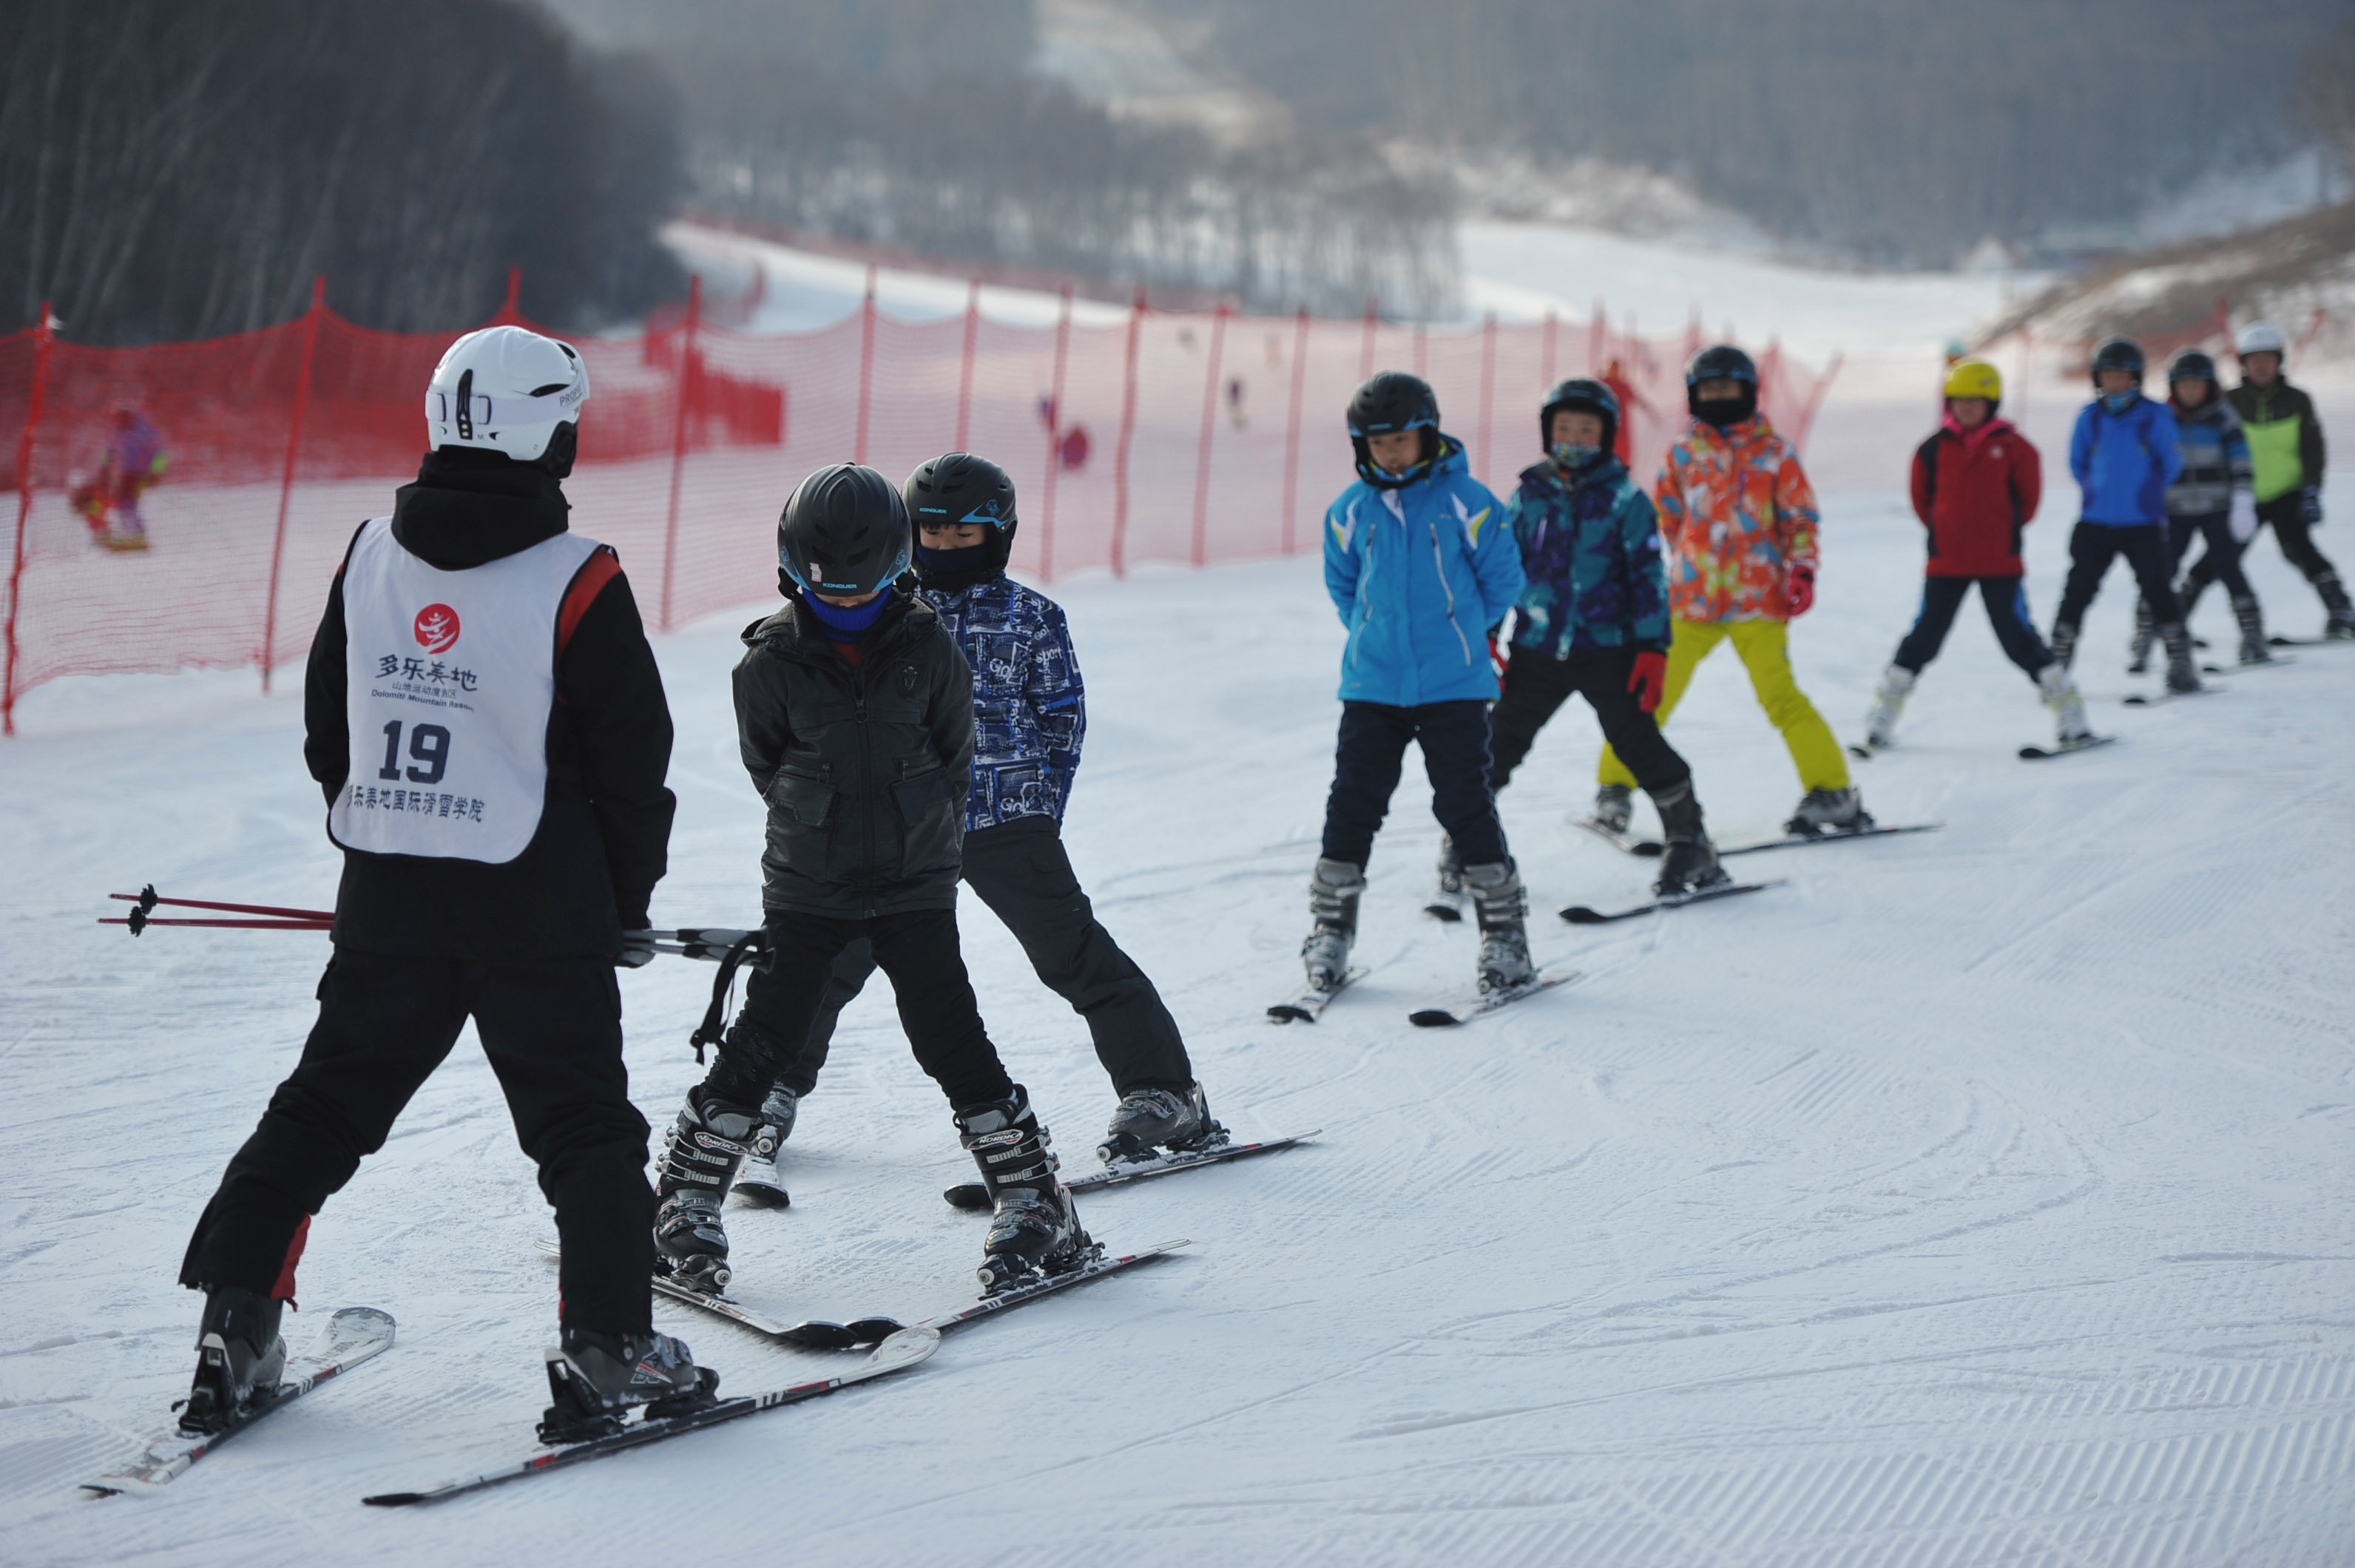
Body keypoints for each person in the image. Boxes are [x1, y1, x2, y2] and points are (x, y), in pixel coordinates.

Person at [176, 325, 712, 1442]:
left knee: (320, 1112)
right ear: (542, 434)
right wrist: (624, 903)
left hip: (393, 903)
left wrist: (386, 842)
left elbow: (336, 731)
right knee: (585, 1136)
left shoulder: (371, 552)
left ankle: (237, 1321)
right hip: (539, 910)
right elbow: (634, 768)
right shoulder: (580, 575)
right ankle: (610, 1350)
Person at [722, 453, 1220, 1209]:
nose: (947, 546)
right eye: (932, 533)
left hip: (1002, 819)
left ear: (1000, 535)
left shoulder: (1030, 616)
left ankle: (1163, 1092)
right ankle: (772, 1095)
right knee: (828, 964)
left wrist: (1037, 803)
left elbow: (1061, 718)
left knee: (1071, 948)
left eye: (965, 534)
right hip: (892, 829)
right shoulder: (893, 614)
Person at [650, 462, 1089, 1299]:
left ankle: (1035, 1194)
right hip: (809, 886)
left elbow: (954, 756)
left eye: (861, 594)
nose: (845, 606)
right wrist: (822, 828)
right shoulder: (768, 661)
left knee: (949, 1033)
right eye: (828, 596)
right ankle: (683, 1196)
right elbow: (767, 764)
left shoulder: (930, 647)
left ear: (897, 572)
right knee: (765, 1037)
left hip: (916, 883)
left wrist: (916, 830)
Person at [1305, 371, 1527, 998]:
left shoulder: (1469, 501)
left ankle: (1505, 934)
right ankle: (1331, 927)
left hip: (1454, 683)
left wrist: (1457, 635)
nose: (1391, 453)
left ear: (1428, 435)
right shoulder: (1350, 510)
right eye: (1378, 444)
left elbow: (1503, 582)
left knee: (1465, 803)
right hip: (1372, 684)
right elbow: (1345, 586)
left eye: (1402, 440)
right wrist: (1375, 635)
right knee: (1353, 802)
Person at [1593, 345, 1870, 838]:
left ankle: (1833, 793)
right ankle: (1614, 789)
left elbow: (1799, 517)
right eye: (1710, 390)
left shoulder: (1775, 453)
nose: (1720, 398)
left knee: (1780, 697)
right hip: (1691, 601)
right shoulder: (1683, 453)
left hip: (1757, 601)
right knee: (1646, 697)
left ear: (1749, 392)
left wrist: (1801, 568)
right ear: (1695, 396)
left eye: (1729, 389)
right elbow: (1667, 517)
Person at [1486, 377, 1726, 895]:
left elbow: (1647, 579)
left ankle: (1691, 843)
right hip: (1536, 650)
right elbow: (1501, 573)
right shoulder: (1527, 498)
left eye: (1587, 430)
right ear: (1548, 434)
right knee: (1495, 745)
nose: (1574, 438)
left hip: (1609, 650)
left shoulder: (1625, 500)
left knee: (1636, 742)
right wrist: (1488, 634)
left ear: (1607, 437)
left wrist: (1652, 649)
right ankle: (1469, 845)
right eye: (1565, 428)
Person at [1862, 358, 2092, 751]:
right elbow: (1923, 501)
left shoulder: (2016, 448)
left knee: (2017, 638)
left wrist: (1998, 530)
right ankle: (1884, 713)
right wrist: (1946, 530)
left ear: (1992, 403)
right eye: (1959, 401)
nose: (1967, 408)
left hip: (1999, 561)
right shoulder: (1932, 449)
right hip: (1946, 562)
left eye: (1976, 401)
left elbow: (2028, 502)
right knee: (1924, 637)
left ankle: (2069, 710)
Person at [2052, 337, 2197, 692]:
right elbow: (2077, 461)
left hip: (2141, 523)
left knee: (2158, 589)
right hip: (2096, 521)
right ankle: (2056, 663)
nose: (2113, 382)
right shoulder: (2090, 417)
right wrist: (2094, 489)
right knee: (2078, 591)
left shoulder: (2154, 415)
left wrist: (2148, 493)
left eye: (2121, 375)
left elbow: (2172, 461)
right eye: (2107, 375)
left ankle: (2181, 662)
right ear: (2097, 379)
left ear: (2135, 378)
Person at [2187, 321, 2348, 640]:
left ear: (2279, 361)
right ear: (2243, 363)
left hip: (2287, 492)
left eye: (2268, 358)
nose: (2261, 365)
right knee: (2221, 556)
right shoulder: (2228, 402)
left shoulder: (2297, 400)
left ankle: (2342, 612)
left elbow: (2313, 449)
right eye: (2254, 359)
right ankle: (2176, 616)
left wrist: (2312, 490)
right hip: (2243, 496)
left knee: (2300, 549)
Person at [2139, 349, 2266, 669]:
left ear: (2209, 386)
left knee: (2228, 566)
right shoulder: (2163, 418)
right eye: (2184, 385)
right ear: (2173, 386)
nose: (2191, 391)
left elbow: (2241, 460)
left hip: (2217, 507)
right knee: (2162, 569)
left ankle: (2253, 634)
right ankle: (2146, 633)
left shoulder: (2223, 417)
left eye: (2197, 385)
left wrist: (2242, 501)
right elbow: (2149, 464)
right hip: (2175, 509)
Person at [75, 408, 168, 550]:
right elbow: (110, 450)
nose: (119, 422)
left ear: (130, 417)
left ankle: (135, 534)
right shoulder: (119, 431)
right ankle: (127, 532)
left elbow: (160, 453)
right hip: (126, 472)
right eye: (117, 419)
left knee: (127, 501)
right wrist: (105, 467)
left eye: (123, 419)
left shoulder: (144, 432)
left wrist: (156, 472)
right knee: (120, 501)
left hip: (142, 473)